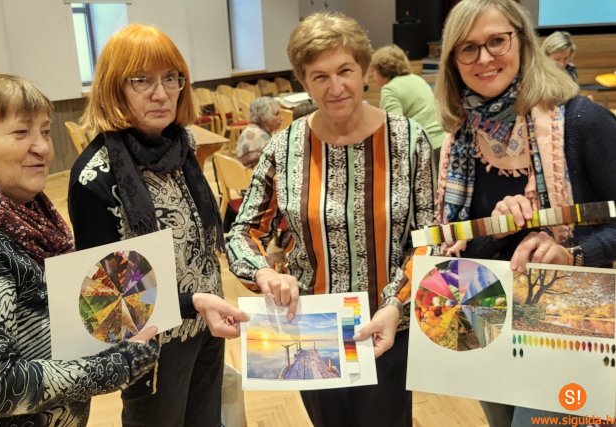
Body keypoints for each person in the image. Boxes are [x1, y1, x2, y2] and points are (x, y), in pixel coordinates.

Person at [375, 1, 616, 426]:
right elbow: (454, 249)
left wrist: (570, 253)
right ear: (453, 61)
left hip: (567, 326)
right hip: (483, 324)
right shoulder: (457, 140)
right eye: (468, 48)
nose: (484, 58)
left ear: (522, 41)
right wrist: (501, 229)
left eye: (497, 41)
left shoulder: (583, 123)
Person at [0, 74, 160, 426]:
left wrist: (176, 303)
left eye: (44, 131)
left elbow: (51, 309)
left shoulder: (18, 211)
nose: (43, 147)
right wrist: (120, 364)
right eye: (21, 132)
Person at [226, 12, 435, 427]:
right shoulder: (284, 148)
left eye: (345, 71)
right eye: (319, 76)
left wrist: (397, 304)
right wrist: (264, 273)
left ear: (365, 72)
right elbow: (242, 232)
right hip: (313, 331)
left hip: (388, 328)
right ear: (304, 83)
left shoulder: (408, 139)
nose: (335, 87)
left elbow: (429, 239)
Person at [67, 24, 247, 427]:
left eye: (170, 78)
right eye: (141, 80)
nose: (161, 93)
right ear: (114, 88)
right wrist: (190, 303)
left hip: (208, 322)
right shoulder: (95, 175)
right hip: (151, 343)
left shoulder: (183, 146)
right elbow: (104, 301)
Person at [369, 44, 446, 150]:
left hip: (425, 147)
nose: (372, 76)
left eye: (373, 71)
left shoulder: (390, 89)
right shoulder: (417, 79)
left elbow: (394, 131)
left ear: (380, 70)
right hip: (442, 142)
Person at [235, 96, 282, 168]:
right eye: (276, 114)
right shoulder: (263, 139)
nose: (281, 118)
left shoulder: (250, 128)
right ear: (263, 117)